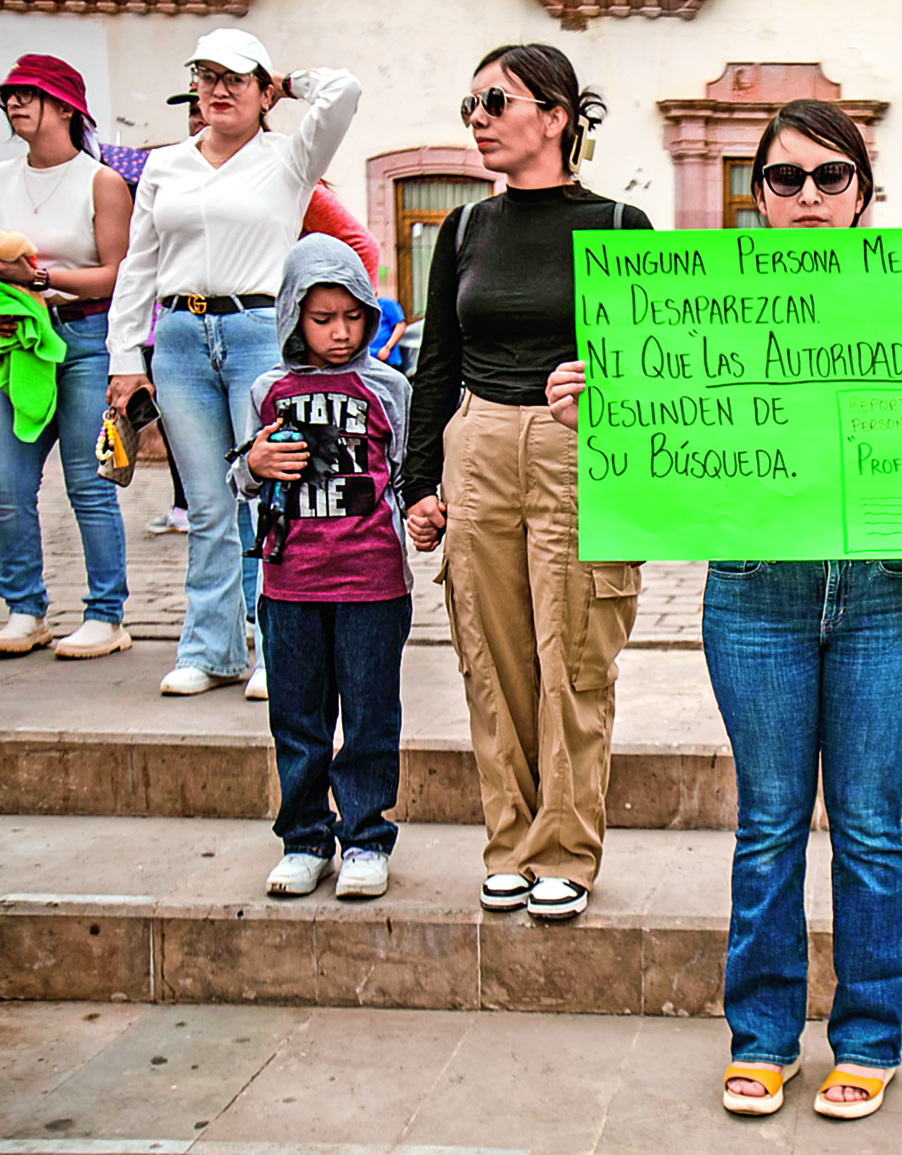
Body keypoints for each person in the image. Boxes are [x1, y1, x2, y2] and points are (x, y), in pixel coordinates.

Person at [547, 99, 902, 1122]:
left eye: (831, 177)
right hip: (755, 595)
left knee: (868, 826)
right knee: (768, 824)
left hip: (884, 596)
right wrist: (596, 401)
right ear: (758, 196)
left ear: (864, 192)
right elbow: (664, 432)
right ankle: (764, 1038)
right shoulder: (696, 305)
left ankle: (868, 1038)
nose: (810, 195)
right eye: (787, 179)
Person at [402, 44, 647, 922]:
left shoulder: (621, 226)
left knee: (574, 654)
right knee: (491, 658)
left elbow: (650, 369)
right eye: (469, 101)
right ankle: (509, 839)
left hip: (573, 449)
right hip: (477, 440)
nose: (477, 116)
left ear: (556, 115)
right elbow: (437, 360)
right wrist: (419, 478)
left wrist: (603, 392)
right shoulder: (463, 230)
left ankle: (567, 848)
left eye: (496, 100)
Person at [105, 28, 360, 697]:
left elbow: (344, 93)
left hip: (258, 330)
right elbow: (138, 265)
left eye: (236, 78)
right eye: (208, 77)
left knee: (274, 495)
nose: (219, 90)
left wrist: (290, 82)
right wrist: (125, 353)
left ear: (260, 88)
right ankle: (211, 647)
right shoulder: (166, 166)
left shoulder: (289, 157)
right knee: (210, 505)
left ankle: (282, 650)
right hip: (182, 335)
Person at [232, 234, 411, 900]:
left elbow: (408, 475)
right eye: (322, 318)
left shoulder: (388, 388)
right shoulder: (265, 389)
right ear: (292, 318)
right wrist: (251, 466)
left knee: (369, 715)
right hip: (289, 583)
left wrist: (423, 512)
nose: (340, 333)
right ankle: (305, 837)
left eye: (353, 316)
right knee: (298, 718)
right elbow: (240, 474)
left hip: (372, 581)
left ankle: (366, 836)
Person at [0, 54, 133, 659]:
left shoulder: (101, 181)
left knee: (89, 483)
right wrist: (5, 281)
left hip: (85, 338)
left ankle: (106, 614)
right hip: (18, 340)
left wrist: (42, 278)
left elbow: (119, 274)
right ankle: (24, 608)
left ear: (66, 107)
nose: (14, 104)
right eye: (8, 96)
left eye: (28, 95)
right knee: (6, 482)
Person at [369, 295, 406, 367]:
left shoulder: (386, 303)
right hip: (368, 361)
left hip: (386, 360)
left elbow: (400, 325)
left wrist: (387, 348)